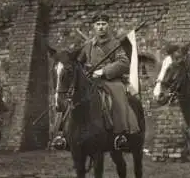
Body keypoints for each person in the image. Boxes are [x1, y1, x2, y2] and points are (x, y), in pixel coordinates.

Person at [50, 13, 140, 151]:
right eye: (98, 24)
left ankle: (121, 135)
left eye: (103, 24)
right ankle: (62, 134)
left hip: (110, 80)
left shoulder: (116, 44)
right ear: (94, 27)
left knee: (118, 95)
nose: (101, 27)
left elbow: (124, 63)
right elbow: (78, 62)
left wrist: (103, 71)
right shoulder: (88, 45)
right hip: (90, 80)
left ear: (108, 25)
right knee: (71, 95)